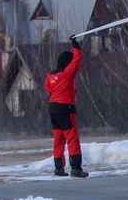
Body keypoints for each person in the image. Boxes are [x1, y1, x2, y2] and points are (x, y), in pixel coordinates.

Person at [45, 36, 88, 178]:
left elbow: (48, 88)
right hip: (66, 109)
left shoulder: (51, 75)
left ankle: (59, 168)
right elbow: (77, 60)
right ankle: (76, 168)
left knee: (58, 140)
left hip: (53, 109)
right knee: (72, 138)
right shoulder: (66, 74)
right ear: (67, 63)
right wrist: (75, 46)